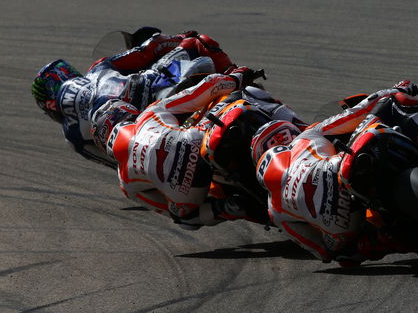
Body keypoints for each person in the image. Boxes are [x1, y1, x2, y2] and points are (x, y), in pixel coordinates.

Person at [253, 80, 418, 266]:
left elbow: (321, 252)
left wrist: (343, 241)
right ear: (286, 136)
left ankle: (390, 240)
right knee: (396, 103)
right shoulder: (305, 137)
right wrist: (394, 90)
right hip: (343, 171)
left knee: (349, 254)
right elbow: (358, 111)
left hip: (343, 229)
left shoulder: (273, 209)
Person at [90, 68, 306, 230]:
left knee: (184, 215)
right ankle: (305, 133)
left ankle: (234, 208)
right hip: (194, 141)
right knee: (248, 94)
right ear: (127, 113)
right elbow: (208, 86)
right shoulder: (148, 115)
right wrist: (236, 76)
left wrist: (218, 210)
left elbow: (180, 219)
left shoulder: (126, 184)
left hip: (186, 195)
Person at [32, 27, 235, 167]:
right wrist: (178, 38)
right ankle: (238, 77)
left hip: (140, 128)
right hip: (155, 84)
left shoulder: (72, 135)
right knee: (198, 42)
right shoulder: (97, 68)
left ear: (50, 105)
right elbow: (146, 50)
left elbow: (113, 161)